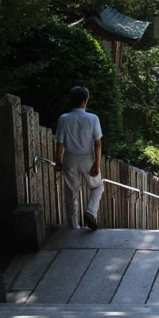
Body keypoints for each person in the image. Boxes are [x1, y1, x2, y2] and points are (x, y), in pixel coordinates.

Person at [55, 86, 103, 231]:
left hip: (70, 158)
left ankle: (73, 227)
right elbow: (97, 142)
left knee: (71, 194)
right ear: (85, 101)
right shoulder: (93, 118)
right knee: (97, 187)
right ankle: (90, 212)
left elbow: (60, 143)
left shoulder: (64, 118)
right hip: (87, 158)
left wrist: (58, 161)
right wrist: (97, 163)